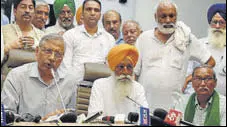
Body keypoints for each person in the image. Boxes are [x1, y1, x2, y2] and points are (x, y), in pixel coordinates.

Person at [134, 0, 215, 110]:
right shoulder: (144, 38)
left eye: (171, 16)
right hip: (144, 105)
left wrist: (190, 78)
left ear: (176, 17)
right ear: (155, 17)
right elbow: (135, 72)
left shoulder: (186, 38)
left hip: (174, 107)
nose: (168, 20)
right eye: (163, 16)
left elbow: (210, 62)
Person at [1, 33, 78, 119]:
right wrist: (39, 122)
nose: (52, 58)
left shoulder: (70, 80)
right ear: (37, 51)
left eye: (58, 54)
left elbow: (71, 117)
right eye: (48, 51)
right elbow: (6, 115)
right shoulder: (17, 76)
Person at [88, 44, 148, 117]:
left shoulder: (138, 88)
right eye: (121, 67)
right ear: (113, 68)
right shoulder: (100, 85)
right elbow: (94, 116)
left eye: (129, 67)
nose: (125, 72)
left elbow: (144, 118)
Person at [61, 0, 115, 81]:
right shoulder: (70, 35)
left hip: (100, 87)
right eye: (88, 9)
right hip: (74, 86)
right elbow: (65, 66)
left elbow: (111, 68)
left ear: (100, 15)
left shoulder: (109, 39)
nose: (92, 13)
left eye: (96, 10)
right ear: (82, 13)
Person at [183, 3, 226, 96]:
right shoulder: (199, 45)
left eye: (221, 22)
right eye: (214, 22)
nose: (217, 26)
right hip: (198, 102)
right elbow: (187, 74)